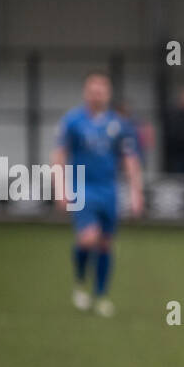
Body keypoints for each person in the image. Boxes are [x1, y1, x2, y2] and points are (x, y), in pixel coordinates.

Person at [52, 71, 143, 318]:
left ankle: (101, 296)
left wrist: (136, 192)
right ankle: (81, 281)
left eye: (101, 90)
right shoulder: (72, 121)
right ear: (86, 93)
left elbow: (130, 160)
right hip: (82, 187)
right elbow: (59, 156)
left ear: (108, 94)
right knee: (88, 238)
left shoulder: (119, 124)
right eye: (93, 90)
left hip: (109, 190)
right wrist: (60, 188)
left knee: (105, 244)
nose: (97, 95)